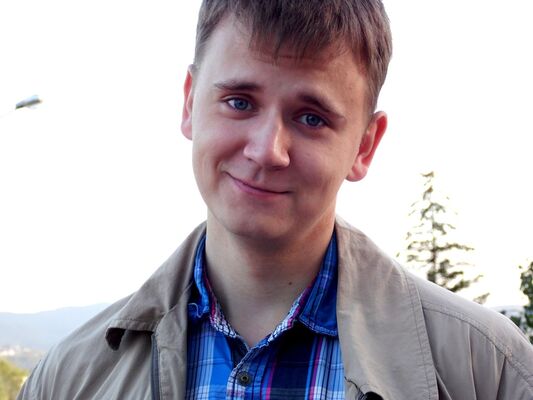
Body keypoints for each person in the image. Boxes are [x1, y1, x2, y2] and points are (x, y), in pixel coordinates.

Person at [18, 1, 533, 399]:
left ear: (364, 146)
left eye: (311, 117)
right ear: (190, 103)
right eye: (239, 102)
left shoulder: (489, 371)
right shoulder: (67, 378)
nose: (267, 150)